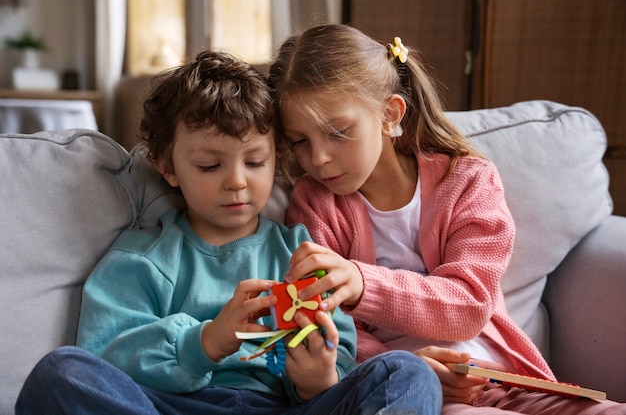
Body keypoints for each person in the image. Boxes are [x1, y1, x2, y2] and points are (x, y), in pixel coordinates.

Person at [15, 50, 443, 415]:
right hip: (174, 405)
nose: (236, 182)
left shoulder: (301, 251)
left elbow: (344, 356)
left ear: (277, 157)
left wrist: (317, 377)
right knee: (62, 373)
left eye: (254, 163)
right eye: (209, 166)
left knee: (407, 373)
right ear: (167, 167)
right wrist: (206, 340)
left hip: (287, 407)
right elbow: (109, 355)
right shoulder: (144, 258)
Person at [267, 24, 626, 414]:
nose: (318, 158)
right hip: (416, 395)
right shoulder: (315, 204)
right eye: (300, 141)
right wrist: (402, 371)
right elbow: (327, 329)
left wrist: (362, 282)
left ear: (389, 115)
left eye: (337, 132)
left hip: (507, 380)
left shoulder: (467, 179)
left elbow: (470, 305)